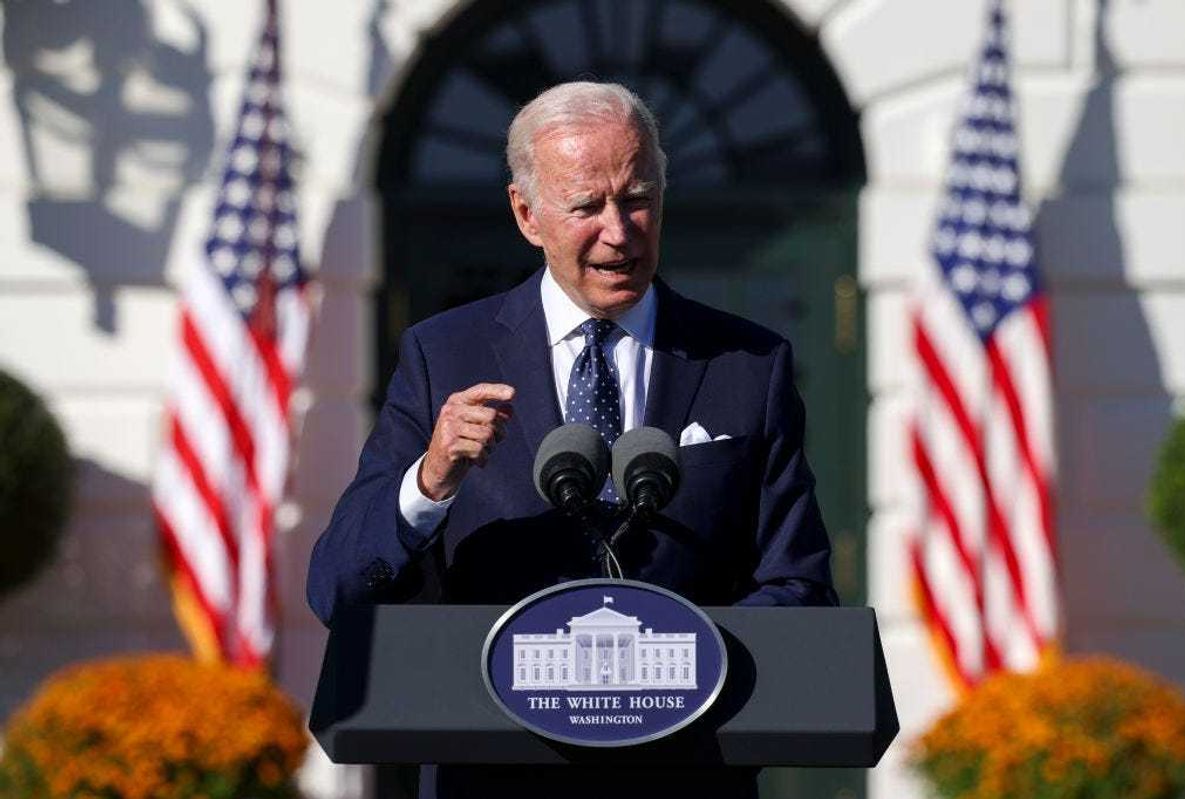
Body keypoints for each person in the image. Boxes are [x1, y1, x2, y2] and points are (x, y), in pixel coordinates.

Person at [307, 81, 836, 798]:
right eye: (587, 206)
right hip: (493, 779)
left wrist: (675, 671)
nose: (619, 232)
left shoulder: (747, 364)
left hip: (686, 778)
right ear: (527, 214)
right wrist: (428, 483)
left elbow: (798, 584)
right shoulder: (446, 356)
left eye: (638, 198)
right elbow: (337, 584)